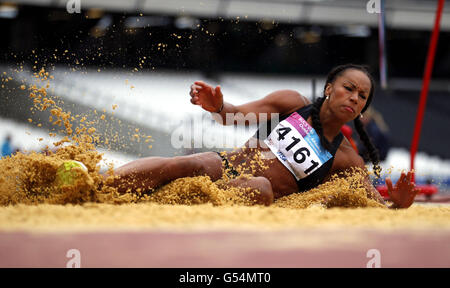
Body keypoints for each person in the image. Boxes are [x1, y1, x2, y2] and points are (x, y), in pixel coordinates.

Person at [107, 64, 418, 209]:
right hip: (225, 167)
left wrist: (399, 205)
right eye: (348, 88)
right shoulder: (291, 103)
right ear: (328, 89)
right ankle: (101, 186)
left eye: (362, 96)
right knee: (187, 164)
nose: (354, 97)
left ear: (363, 108)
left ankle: (171, 201)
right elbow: (233, 114)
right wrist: (217, 106)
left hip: (257, 196)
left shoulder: (347, 158)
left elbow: (376, 206)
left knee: (261, 186)